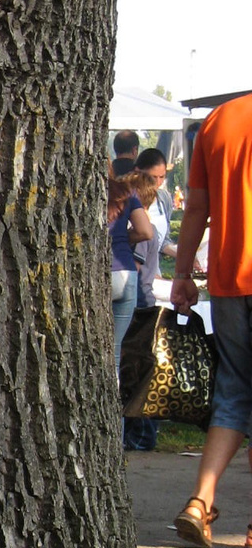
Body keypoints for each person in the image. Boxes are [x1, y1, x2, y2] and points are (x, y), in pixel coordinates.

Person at [169, 91, 252, 548]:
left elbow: (196, 210)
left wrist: (182, 274)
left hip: (229, 279)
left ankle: (200, 501)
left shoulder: (221, 119)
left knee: (235, 390)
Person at [124, 149, 175, 452]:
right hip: (145, 297)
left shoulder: (144, 232)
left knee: (136, 369)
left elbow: (140, 267)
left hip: (140, 300)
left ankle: (141, 435)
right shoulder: (150, 230)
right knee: (141, 367)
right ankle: (142, 434)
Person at [108, 167, 153, 379]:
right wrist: (123, 238)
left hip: (100, 274)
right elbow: (145, 231)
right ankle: (117, 412)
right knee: (116, 357)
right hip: (125, 271)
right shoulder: (125, 192)